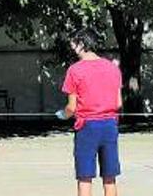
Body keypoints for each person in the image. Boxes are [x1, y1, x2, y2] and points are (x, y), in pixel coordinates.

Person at [57, 29, 122, 196]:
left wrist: (63, 115)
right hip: (110, 126)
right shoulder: (113, 68)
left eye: (74, 43)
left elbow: (71, 108)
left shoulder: (75, 70)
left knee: (85, 177)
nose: (72, 47)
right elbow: (118, 103)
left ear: (82, 44)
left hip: (87, 127)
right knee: (110, 177)